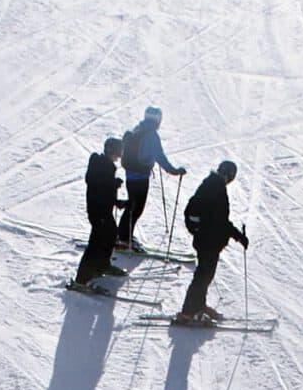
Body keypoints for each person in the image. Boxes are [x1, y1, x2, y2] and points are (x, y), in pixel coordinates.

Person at [174, 160, 247, 327]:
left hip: (206, 239)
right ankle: (188, 312)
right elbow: (220, 221)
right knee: (203, 276)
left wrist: (199, 231)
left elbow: (217, 219)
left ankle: (198, 306)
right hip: (208, 240)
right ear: (229, 175)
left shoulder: (211, 184)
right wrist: (237, 235)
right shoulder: (216, 188)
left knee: (205, 275)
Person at [116, 106, 185, 251]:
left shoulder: (138, 129)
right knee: (136, 209)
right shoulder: (152, 135)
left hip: (130, 174)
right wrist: (174, 171)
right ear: (158, 120)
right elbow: (160, 157)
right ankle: (123, 238)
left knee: (132, 206)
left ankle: (123, 235)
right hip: (141, 177)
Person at [71, 135, 125, 293]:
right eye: (118, 152)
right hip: (98, 211)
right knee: (95, 244)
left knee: (110, 234)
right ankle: (81, 280)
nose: (119, 155)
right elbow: (97, 185)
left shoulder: (104, 165)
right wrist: (113, 185)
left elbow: (103, 188)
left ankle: (102, 265)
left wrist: (116, 201)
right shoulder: (101, 166)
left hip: (103, 209)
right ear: (112, 151)